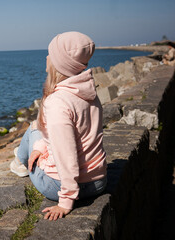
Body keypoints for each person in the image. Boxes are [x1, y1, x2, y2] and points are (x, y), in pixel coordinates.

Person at [10, 31, 107, 221]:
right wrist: (41, 147)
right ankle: (24, 156)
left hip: (59, 185)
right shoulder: (88, 92)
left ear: (59, 63)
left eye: (50, 54)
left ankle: (19, 162)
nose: (46, 57)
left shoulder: (57, 103)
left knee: (34, 128)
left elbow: (66, 154)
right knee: (38, 132)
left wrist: (66, 201)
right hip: (99, 181)